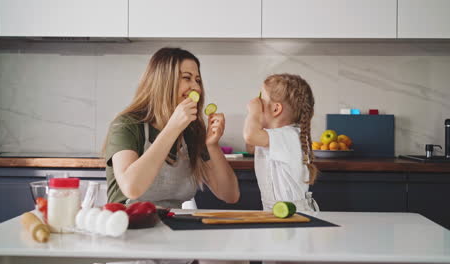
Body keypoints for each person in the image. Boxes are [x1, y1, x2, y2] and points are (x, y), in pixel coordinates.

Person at [103, 47, 240, 209]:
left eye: (197, 80)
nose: (196, 87)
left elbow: (230, 195)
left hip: (174, 227)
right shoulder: (127, 125)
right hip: (128, 225)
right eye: (187, 78)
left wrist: (212, 146)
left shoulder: (192, 130)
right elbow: (132, 188)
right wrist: (173, 127)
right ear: (164, 82)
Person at [243, 73, 318, 212]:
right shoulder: (274, 137)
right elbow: (251, 147)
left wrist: (253, 112)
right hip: (279, 212)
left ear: (276, 109)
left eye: (261, 99)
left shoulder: (288, 136)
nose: (257, 103)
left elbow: (249, 136)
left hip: (293, 214)